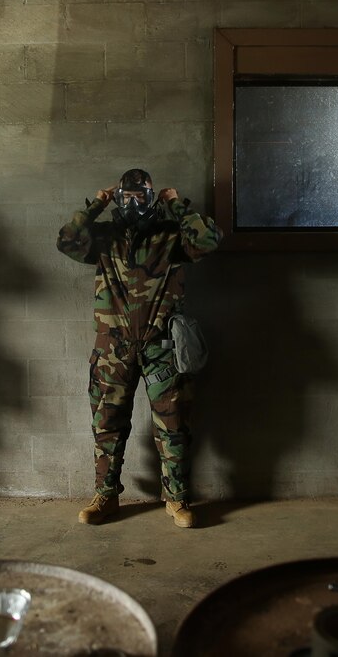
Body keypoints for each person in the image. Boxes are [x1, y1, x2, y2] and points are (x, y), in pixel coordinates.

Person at [57, 169, 222, 528]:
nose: (134, 203)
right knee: (107, 424)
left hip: (162, 346)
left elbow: (208, 240)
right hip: (112, 349)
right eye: (126, 196)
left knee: (173, 425)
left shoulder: (172, 238)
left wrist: (176, 204)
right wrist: (96, 204)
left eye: (142, 196)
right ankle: (106, 496)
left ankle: (176, 500)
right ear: (118, 198)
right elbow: (68, 240)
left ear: (152, 197)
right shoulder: (103, 238)